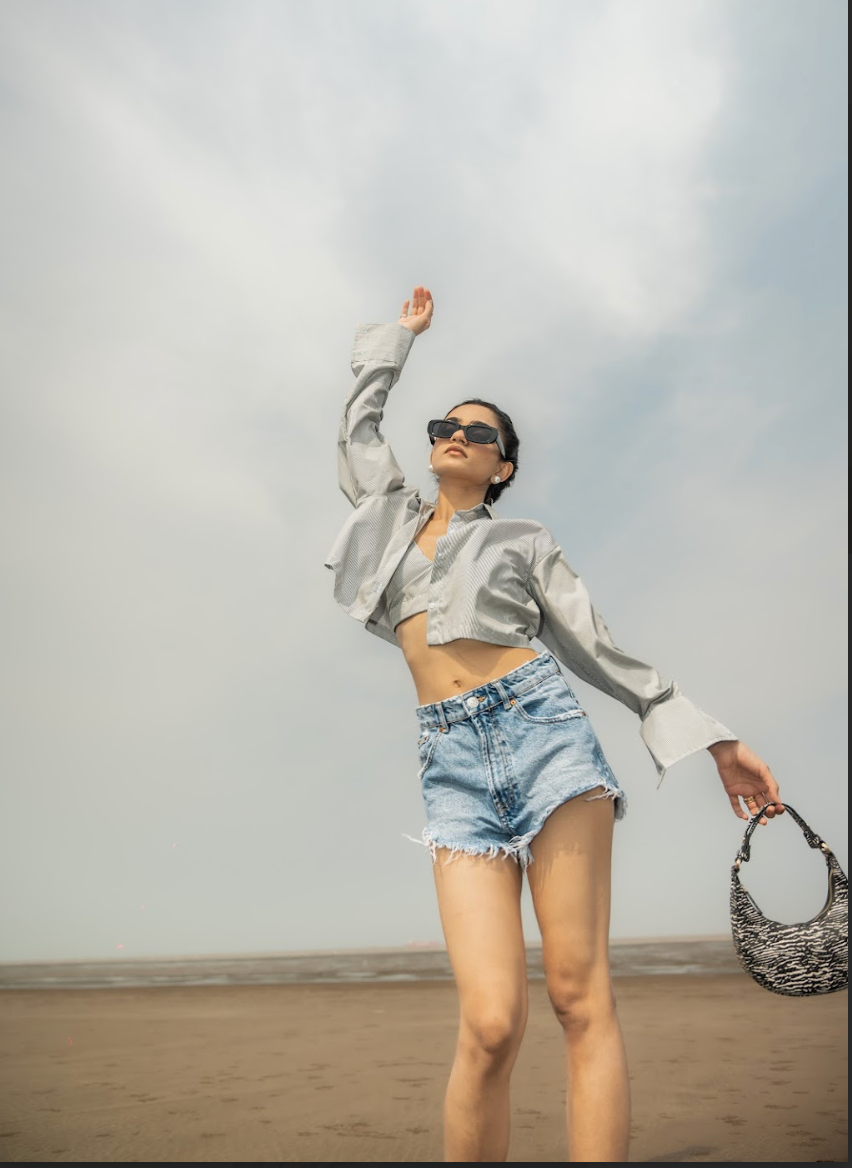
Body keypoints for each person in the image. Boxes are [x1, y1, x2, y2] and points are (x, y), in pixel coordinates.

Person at [324, 285, 784, 1163]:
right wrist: (401, 339)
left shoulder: (524, 541)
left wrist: (717, 739)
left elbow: (598, 649)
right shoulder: (385, 517)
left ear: (502, 467)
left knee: (578, 998)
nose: (453, 436)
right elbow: (356, 428)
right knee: (492, 1022)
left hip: (545, 739)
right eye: (443, 428)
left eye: (479, 434)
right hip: (450, 763)